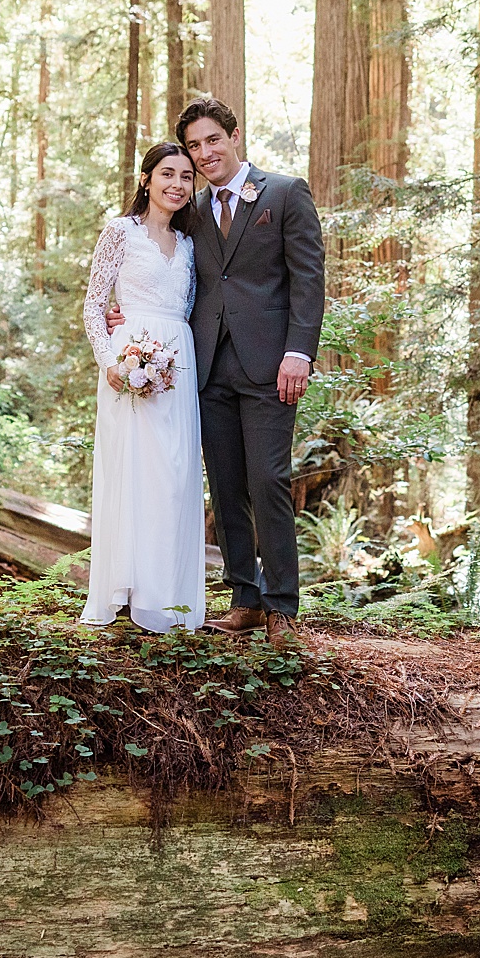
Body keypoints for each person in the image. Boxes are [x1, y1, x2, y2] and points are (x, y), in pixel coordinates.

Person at [148, 97, 325, 641]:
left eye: (212, 141)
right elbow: (171, 275)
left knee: (268, 478)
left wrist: (301, 350)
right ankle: (244, 598)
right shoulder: (192, 212)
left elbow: (308, 279)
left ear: (235, 136)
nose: (204, 154)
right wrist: (126, 313)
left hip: (272, 366)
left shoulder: (284, 192)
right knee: (225, 487)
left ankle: (282, 608)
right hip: (207, 368)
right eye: (194, 146)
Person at [78, 141, 206, 632]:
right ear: (146, 179)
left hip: (180, 362)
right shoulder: (120, 232)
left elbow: (192, 306)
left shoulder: (192, 243)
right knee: (133, 474)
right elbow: (94, 305)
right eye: (168, 174)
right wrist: (111, 360)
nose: (177, 184)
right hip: (129, 361)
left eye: (187, 177)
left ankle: (167, 595)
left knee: (174, 478)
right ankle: (126, 589)